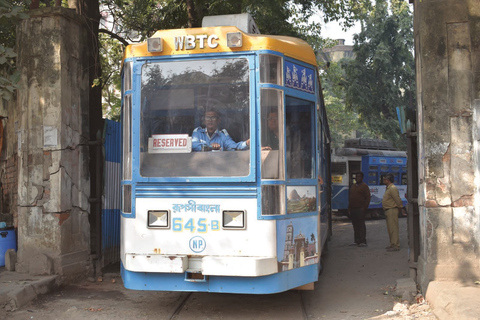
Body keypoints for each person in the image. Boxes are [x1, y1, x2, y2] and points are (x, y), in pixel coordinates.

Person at [348, 171, 371, 247]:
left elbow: (368, 197)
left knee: (361, 225)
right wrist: (349, 208)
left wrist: (364, 208)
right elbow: (350, 197)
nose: (357, 178)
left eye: (359, 176)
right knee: (355, 225)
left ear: (362, 178)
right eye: (356, 176)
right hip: (353, 209)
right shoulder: (353, 186)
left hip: (360, 209)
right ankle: (356, 241)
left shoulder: (364, 186)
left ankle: (363, 241)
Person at [382, 173, 403, 251]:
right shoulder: (388, 188)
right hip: (388, 210)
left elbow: (397, 199)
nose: (384, 180)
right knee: (390, 228)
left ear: (388, 180)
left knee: (393, 228)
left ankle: (396, 245)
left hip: (392, 210)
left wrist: (400, 208)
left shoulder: (392, 188)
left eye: (385, 179)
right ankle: (392, 243)